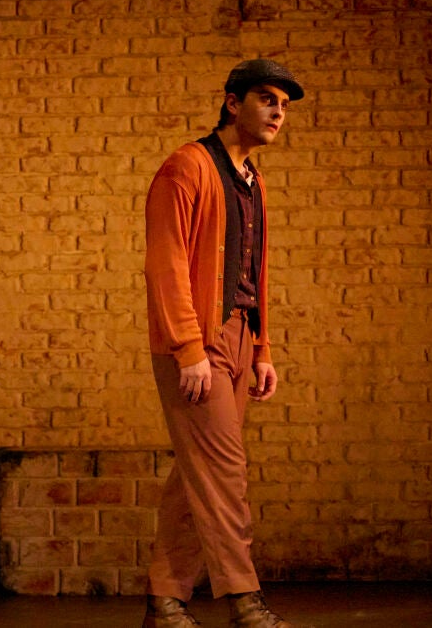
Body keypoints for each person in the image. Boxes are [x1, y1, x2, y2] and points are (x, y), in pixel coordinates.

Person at [142, 59, 312, 628]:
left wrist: (261, 348)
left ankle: (165, 601)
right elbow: (165, 264)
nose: (277, 113)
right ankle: (245, 601)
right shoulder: (187, 166)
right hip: (199, 339)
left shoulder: (252, 180)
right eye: (267, 99)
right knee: (225, 473)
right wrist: (188, 348)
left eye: (284, 105)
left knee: (198, 476)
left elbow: (253, 270)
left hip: (240, 336)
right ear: (233, 103)